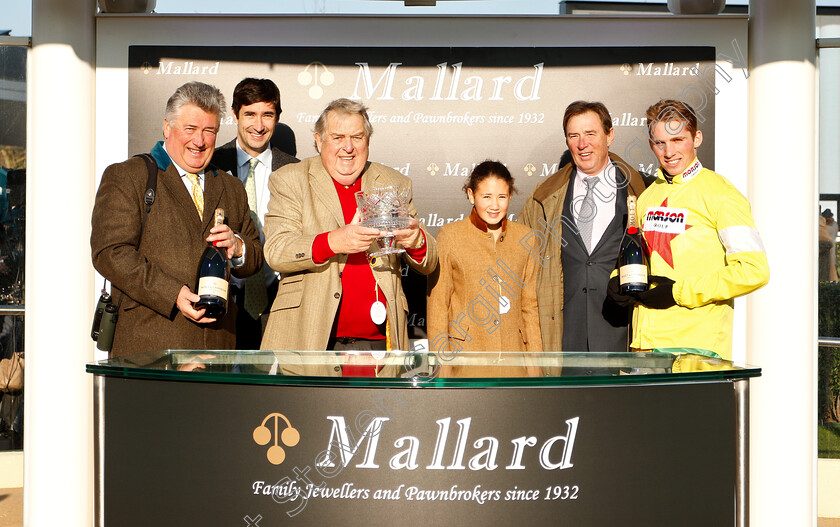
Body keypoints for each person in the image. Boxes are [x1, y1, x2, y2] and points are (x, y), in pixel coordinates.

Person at [260, 98, 437, 376]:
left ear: (368, 140)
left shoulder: (394, 183)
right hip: (310, 344)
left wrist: (416, 241)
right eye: (338, 137)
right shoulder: (290, 179)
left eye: (357, 137)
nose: (348, 147)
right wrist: (334, 242)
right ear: (318, 141)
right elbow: (277, 251)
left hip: (382, 347)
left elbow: (428, 261)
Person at [91, 81, 263, 358]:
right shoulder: (129, 176)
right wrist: (173, 293)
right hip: (150, 350)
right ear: (167, 127)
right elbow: (110, 253)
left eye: (209, 131)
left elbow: (254, 256)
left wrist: (239, 247)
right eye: (191, 129)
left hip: (218, 350)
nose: (200, 141)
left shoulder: (232, 188)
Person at [616, 99, 769, 359]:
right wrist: (616, 281)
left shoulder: (722, 194)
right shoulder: (648, 196)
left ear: (697, 138)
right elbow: (640, 259)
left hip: (696, 349)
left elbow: (754, 271)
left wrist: (678, 293)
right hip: (644, 345)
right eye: (659, 142)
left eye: (678, 140)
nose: (668, 151)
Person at [518, 101, 647, 352]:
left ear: (609, 135)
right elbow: (519, 263)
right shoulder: (542, 197)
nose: (582, 144)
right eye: (573, 135)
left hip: (624, 336)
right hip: (563, 339)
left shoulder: (643, 191)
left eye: (590, 134)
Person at [427, 161, 542, 377]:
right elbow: (438, 306)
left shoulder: (526, 238)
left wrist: (535, 367)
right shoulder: (450, 236)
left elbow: (530, 306)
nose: (495, 205)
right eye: (486, 197)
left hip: (514, 362)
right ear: (471, 195)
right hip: (466, 361)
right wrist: (442, 367)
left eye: (502, 197)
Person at [212, 78, 299, 349]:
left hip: (282, 303)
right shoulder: (211, 165)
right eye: (250, 114)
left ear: (277, 117)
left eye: (267, 115)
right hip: (222, 304)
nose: (258, 126)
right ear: (235, 115)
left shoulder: (297, 171)